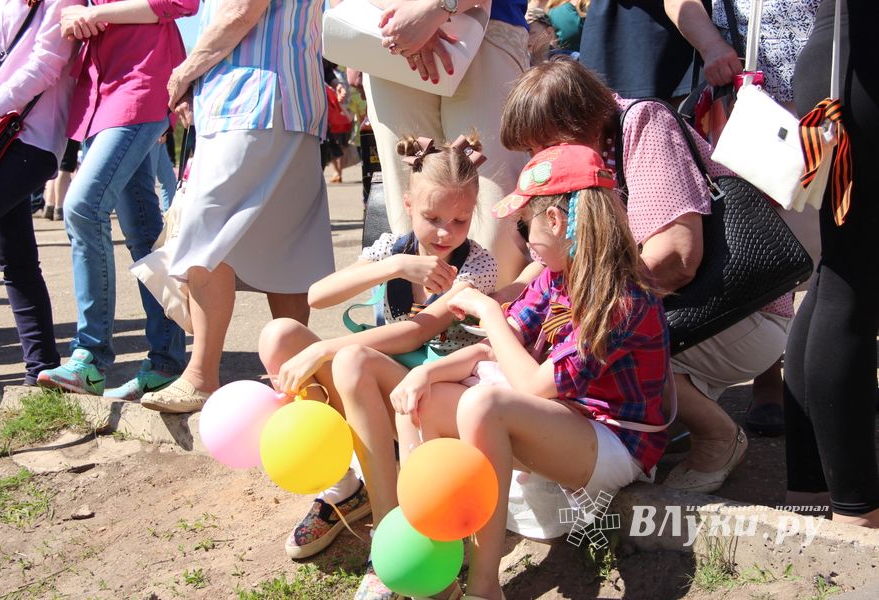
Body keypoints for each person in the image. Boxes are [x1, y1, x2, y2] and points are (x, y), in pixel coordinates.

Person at [333, 145, 669, 599]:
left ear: (554, 220)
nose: (522, 238)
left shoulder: (620, 296)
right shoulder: (556, 274)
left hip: (614, 441)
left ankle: (485, 586)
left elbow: (531, 382)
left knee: (483, 403)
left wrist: (488, 309)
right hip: (560, 421)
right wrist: (426, 375)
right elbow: (496, 348)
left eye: (524, 224)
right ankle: (430, 570)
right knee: (421, 400)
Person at [500, 58, 790, 493]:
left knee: (604, 341)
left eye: (541, 145)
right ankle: (654, 426)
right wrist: (506, 296)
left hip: (743, 313)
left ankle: (718, 437)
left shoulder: (643, 125)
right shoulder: (591, 148)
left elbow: (676, 256)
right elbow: (562, 257)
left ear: (578, 121)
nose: (538, 160)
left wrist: (569, 320)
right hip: (700, 309)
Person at [261, 135, 497, 563]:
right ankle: (345, 489)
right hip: (381, 392)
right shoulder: (395, 248)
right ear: (408, 204)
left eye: (461, 221)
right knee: (279, 335)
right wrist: (393, 266)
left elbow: (414, 334)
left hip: (434, 404)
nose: (446, 232)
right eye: (433, 217)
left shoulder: (477, 265)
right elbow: (316, 296)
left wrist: (325, 350)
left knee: (348, 358)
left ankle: (388, 533)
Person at [139, 0, 337, 413]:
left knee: (205, 235)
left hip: (248, 100)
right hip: (295, 99)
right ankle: (293, 378)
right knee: (290, 247)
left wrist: (185, 71)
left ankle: (200, 375)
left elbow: (240, 11)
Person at [664, 0, 821, 437]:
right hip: (753, 99)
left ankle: (841, 373)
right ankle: (770, 383)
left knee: (847, 247)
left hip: (837, 91)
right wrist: (712, 45)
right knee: (765, 241)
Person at [38, 0, 197, 400]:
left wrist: (95, 16)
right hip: (98, 91)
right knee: (143, 229)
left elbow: (181, 3)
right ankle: (166, 362)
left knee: (81, 208)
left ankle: (90, 357)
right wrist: (72, 14)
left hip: (142, 82)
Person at [784, 0, 879, 529]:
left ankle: (818, 486)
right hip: (859, 67)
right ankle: (855, 507)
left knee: (837, 275)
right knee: (852, 284)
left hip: (833, 60)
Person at [367, 0, 531, 286]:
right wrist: (409, 17)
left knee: (496, 225)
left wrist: (436, 9)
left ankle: (492, 326)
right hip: (388, 30)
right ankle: (416, 325)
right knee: (413, 215)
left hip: (485, 26)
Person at [0, 0, 81, 407]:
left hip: (29, 139)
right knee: (17, 260)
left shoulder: (61, 2)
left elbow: (46, 64)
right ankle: (41, 368)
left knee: (18, 262)